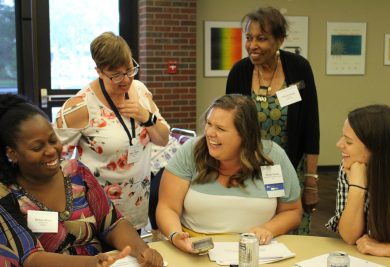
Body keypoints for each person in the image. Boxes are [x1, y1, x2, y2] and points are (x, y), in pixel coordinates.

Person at [0, 94, 163, 266]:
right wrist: (92, 263)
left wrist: (142, 250)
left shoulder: (76, 172)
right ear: (12, 153)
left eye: (52, 140)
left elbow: (112, 223)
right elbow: (30, 258)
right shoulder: (6, 195)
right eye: (37, 147)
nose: (51, 150)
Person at [156, 94, 302, 253]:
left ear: (244, 135)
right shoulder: (192, 151)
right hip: (196, 249)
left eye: (220, 128)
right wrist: (176, 235)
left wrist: (269, 229)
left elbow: (292, 211)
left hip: (256, 252)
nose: (210, 133)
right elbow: (167, 207)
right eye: (209, 124)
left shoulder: (272, 157)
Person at [54, 31, 170, 231]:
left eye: (129, 70)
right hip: (99, 210)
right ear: (99, 71)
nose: (125, 79)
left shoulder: (140, 91)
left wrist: (146, 117)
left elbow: (162, 140)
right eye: (116, 74)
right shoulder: (81, 106)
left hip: (136, 206)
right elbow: (54, 160)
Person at [225, 6, 320, 234]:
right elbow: (228, 124)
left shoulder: (298, 68)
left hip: (290, 168)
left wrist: (311, 181)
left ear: (280, 40)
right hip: (248, 171)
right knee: (254, 231)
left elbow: (311, 127)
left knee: (290, 229)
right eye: (249, 38)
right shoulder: (239, 72)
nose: (252, 45)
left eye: (261, 38)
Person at [326, 104, 390, 258]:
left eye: (349, 142)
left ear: (375, 148)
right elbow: (349, 236)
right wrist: (357, 188)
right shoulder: (350, 166)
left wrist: (387, 249)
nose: (339, 144)